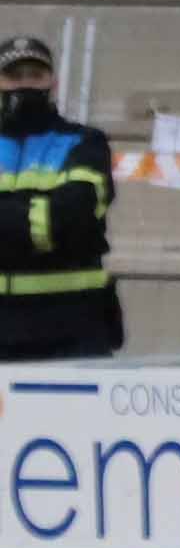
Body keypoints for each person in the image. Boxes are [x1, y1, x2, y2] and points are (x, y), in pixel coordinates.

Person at [0, 31, 120, 361]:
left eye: (35, 75)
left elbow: (74, 218)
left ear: (52, 82)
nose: (25, 83)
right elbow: (55, 221)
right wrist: (40, 222)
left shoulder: (85, 143)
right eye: (13, 75)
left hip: (74, 331)